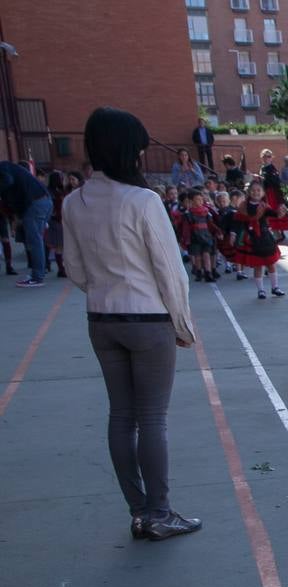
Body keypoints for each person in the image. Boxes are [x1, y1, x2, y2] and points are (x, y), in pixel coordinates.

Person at [64, 107, 200, 540]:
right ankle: (160, 512)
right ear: (128, 150)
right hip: (147, 319)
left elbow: (74, 269)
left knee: (121, 415)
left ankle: (140, 510)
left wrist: (103, 291)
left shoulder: (74, 201)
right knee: (153, 418)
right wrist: (182, 324)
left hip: (102, 318)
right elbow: (170, 271)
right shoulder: (143, 201)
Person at [0, 159, 53, 286]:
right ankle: (39, 272)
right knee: (35, 240)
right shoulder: (8, 167)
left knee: (35, 241)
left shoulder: (2, 168)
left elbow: (8, 181)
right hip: (42, 201)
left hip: (35, 204)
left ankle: (37, 277)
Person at [230, 178, 284, 299]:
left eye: (258, 190)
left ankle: (275, 287)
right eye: (253, 190)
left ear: (263, 193)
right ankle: (261, 290)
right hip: (251, 238)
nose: (256, 192)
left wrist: (280, 211)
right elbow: (237, 222)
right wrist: (233, 234)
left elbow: (274, 214)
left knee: (271, 264)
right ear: (248, 192)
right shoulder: (243, 207)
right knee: (258, 265)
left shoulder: (264, 206)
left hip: (265, 238)